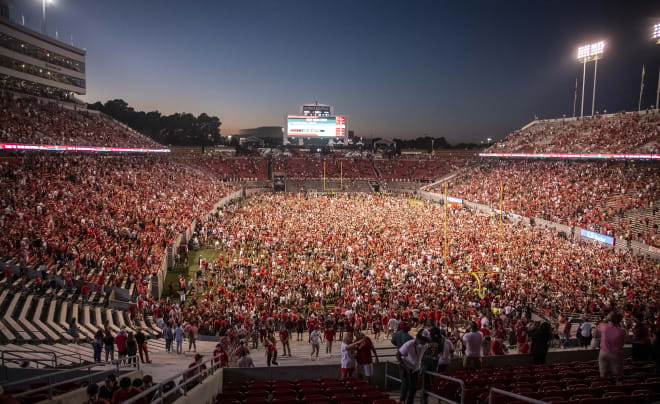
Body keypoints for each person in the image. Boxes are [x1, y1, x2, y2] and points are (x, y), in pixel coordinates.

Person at [397, 329, 430, 404]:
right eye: (423, 340)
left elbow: (424, 356)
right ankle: (402, 401)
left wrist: (422, 366)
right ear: (418, 338)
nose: (424, 342)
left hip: (415, 368)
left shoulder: (425, 346)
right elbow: (398, 355)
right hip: (405, 366)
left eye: (426, 341)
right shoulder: (408, 344)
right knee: (406, 384)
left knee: (413, 387)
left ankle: (409, 402)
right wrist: (406, 367)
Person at [598, 312, 626, 378]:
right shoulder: (622, 331)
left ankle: (604, 384)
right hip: (615, 354)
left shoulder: (604, 327)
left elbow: (600, 326)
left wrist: (607, 319)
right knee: (616, 373)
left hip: (603, 352)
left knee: (603, 373)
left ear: (610, 319)